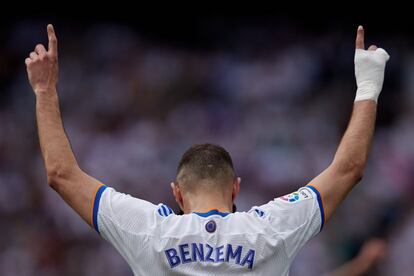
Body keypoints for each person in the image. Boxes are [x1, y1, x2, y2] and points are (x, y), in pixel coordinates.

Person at [25, 24, 389, 275]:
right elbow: (348, 169)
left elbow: (61, 174)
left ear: (177, 193)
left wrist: (45, 91)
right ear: (236, 188)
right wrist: (368, 86)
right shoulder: (271, 228)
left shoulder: (148, 229)